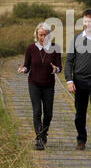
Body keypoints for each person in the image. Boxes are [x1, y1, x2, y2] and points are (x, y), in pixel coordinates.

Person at [65, 9, 91, 154]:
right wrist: (69, 81)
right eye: (84, 21)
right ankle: (81, 140)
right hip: (79, 81)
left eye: (89, 21)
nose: (86, 24)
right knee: (80, 113)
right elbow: (69, 61)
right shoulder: (76, 39)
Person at [18, 22, 62, 150]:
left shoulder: (55, 48)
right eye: (40, 35)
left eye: (45, 35)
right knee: (37, 111)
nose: (42, 37)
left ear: (49, 35)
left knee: (48, 113)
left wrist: (56, 69)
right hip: (34, 84)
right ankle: (38, 138)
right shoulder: (31, 48)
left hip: (48, 85)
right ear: (36, 35)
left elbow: (59, 67)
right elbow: (27, 65)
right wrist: (23, 69)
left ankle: (44, 133)